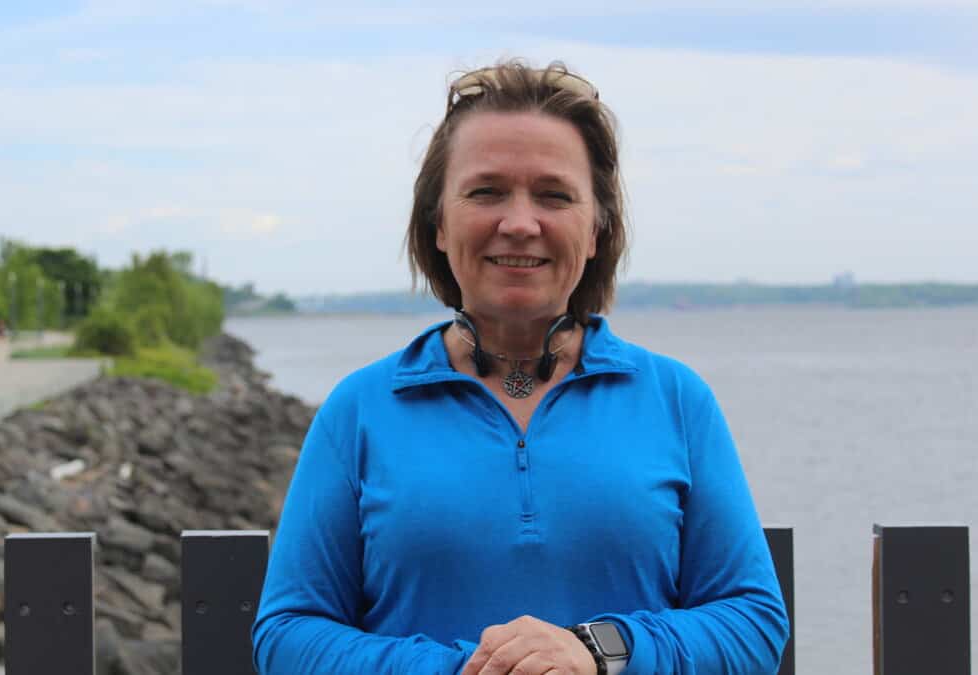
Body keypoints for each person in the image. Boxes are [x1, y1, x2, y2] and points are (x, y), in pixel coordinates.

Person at [252, 61, 788, 674]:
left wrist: (599, 650)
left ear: (595, 230)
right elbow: (287, 638)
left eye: (554, 196)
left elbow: (752, 623)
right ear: (439, 226)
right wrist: (464, 670)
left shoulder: (677, 401)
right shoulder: (360, 410)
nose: (520, 223)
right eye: (486, 192)